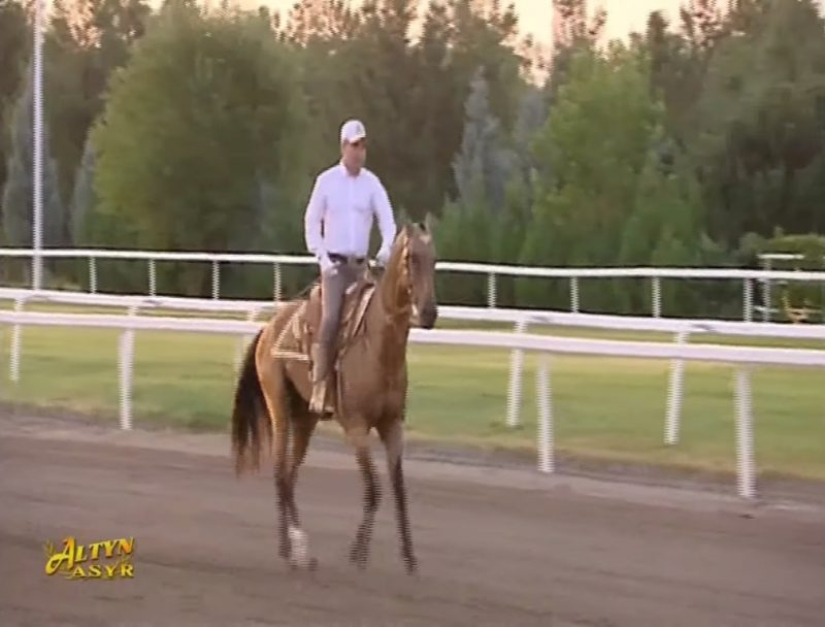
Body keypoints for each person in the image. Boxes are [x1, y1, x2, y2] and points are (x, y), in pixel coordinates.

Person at [303, 119, 397, 414]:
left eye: (363, 145)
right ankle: (320, 386)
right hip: (335, 268)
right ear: (344, 147)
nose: (360, 151)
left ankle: (382, 386)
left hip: (362, 268)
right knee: (331, 319)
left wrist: (384, 250)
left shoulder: (373, 184)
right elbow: (310, 222)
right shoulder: (326, 181)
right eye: (355, 146)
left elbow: (388, 223)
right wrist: (321, 257)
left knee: (383, 319)